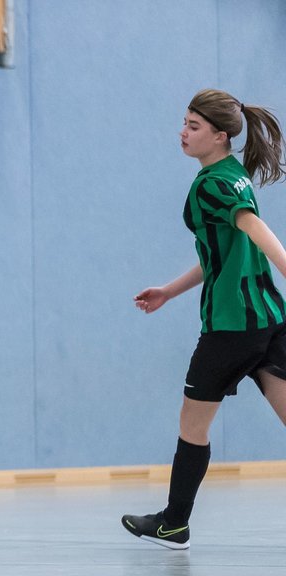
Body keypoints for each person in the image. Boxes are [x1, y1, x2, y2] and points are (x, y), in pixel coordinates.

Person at [123, 88, 286, 549]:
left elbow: (257, 231)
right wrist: (170, 291)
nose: (183, 133)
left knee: (192, 427)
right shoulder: (235, 175)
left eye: (193, 127)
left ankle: (173, 524)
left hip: (230, 327)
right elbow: (225, 253)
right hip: (270, 318)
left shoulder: (211, 184)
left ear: (219, 136)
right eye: (184, 123)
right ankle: (174, 522)